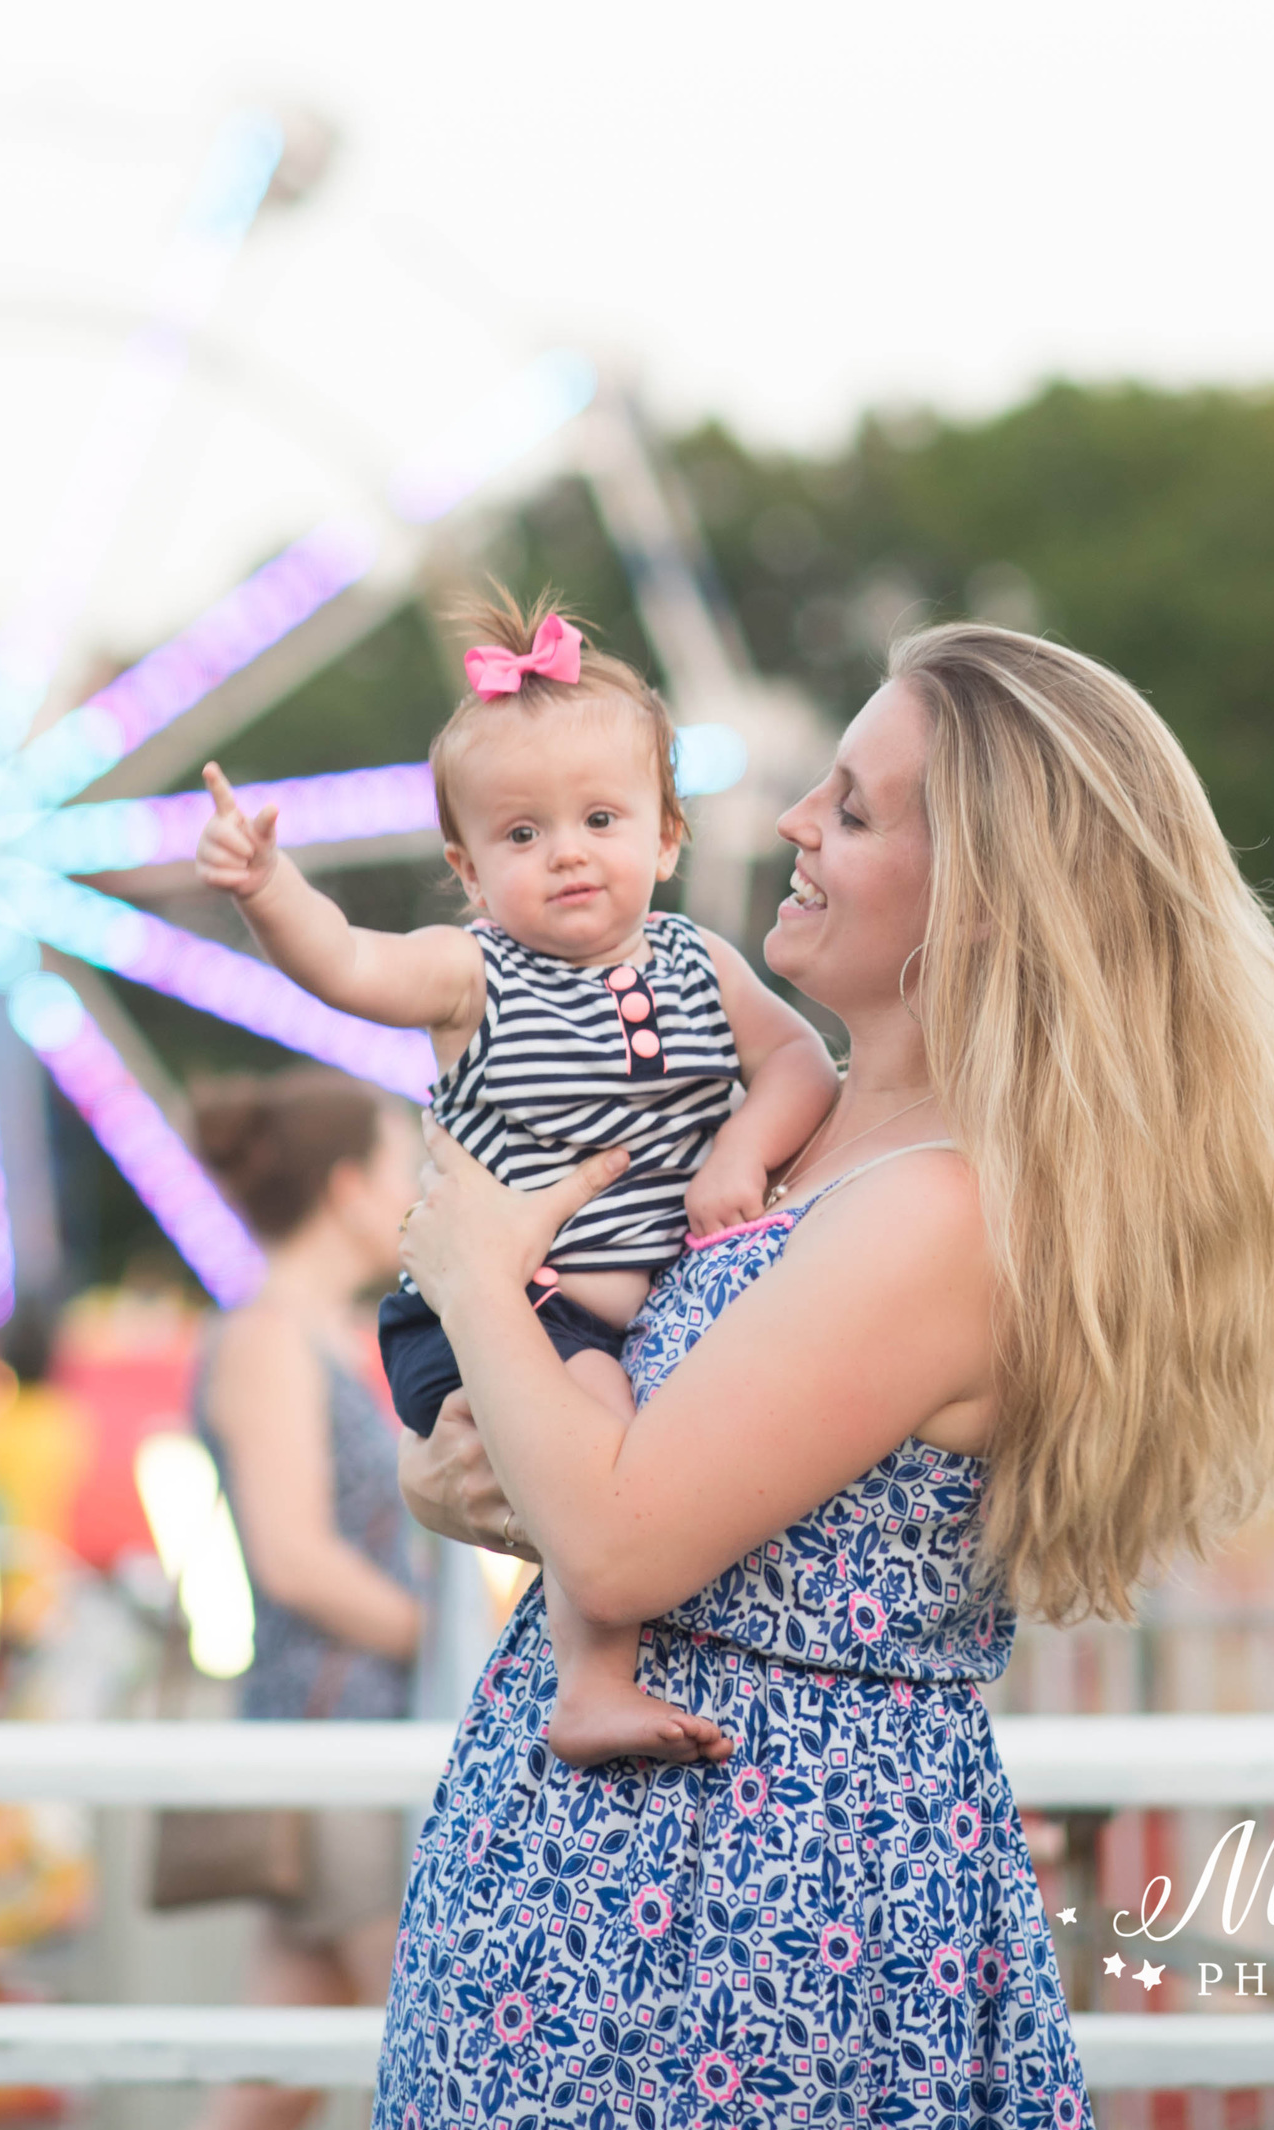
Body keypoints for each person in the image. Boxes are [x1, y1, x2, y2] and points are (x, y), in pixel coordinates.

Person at [377, 622, 1274, 2130]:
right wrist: (455, 1472)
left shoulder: (943, 1210)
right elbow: (602, 1458)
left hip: (738, 1904)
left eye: (850, 806)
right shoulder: (810, 1131)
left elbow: (627, 1548)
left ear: (979, 886)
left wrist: (469, 1268)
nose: (789, 824)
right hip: (621, 1884)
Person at [192, 594, 839, 1764]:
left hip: (626, 1303)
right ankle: (589, 1684)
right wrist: (267, 889)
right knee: (598, 1446)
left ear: (668, 837)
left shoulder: (702, 963)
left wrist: (742, 1148)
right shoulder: (473, 976)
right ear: (469, 869)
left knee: (647, 1437)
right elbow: (344, 962)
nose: (567, 852)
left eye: (600, 817)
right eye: (522, 835)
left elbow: (797, 1060)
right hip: (513, 1306)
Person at [154, 1072, 427, 2130]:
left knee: (261, 2107)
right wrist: (442, 1643)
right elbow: (294, 1555)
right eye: (407, 1168)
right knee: (445, 2060)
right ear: (350, 1186)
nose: (420, 1192)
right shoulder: (269, 1337)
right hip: (332, 1739)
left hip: (343, 1738)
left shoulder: (317, 1330)